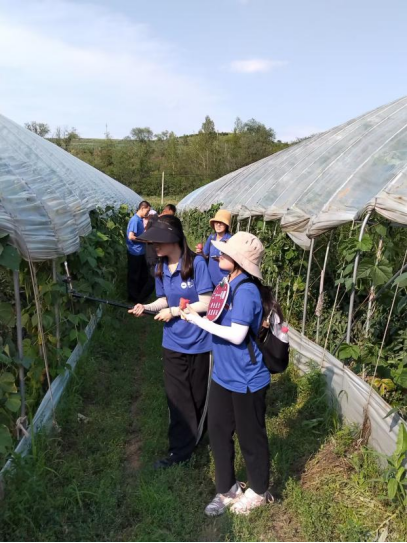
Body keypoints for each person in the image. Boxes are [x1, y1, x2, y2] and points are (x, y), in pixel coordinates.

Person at [182, 232, 281, 516]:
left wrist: (199, 322)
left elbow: (237, 335)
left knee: (251, 437)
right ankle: (228, 489)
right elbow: (216, 315)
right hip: (224, 375)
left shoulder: (246, 291)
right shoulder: (226, 284)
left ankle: (259, 491)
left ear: (239, 261)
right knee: (218, 432)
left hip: (247, 378)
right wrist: (195, 315)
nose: (218, 255)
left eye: (225, 253)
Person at [129, 216, 213, 468]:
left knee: (198, 396)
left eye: (158, 241)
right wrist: (146, 307)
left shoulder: (197, 264)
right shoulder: (161, 267)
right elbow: (164, 300)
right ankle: (179, 451)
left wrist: (175, 312)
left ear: (174, 239)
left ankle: (198, 439)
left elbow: (207, 302)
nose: (154, 246)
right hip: (173, 342)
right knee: (177, 398)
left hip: (200, 342)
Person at [196, 210, 232, 287]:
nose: (218, 224)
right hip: (210, 279)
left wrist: (221, 259)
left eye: (221, 222)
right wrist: (201, 253)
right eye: (216, 222)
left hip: (223, 280)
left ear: (226, 225)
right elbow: (206, 256)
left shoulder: (229, 240)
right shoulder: (211, 238)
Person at [126, 201, 152, 304]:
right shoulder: (135, 220)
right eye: (147, 210)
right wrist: (145, 241)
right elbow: (131, 236)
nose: (148, 213)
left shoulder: (140, 220)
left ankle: (139, 295)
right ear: (142, 208)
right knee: (134, 275)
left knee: (142, 274)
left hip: (140, 252)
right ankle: (133, 297)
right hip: (135, 252)